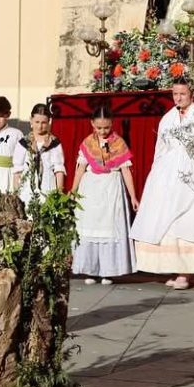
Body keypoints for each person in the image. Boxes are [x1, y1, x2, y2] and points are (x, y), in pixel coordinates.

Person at [131, 78, 194, 289]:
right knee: (169, 223)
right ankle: (176, 268)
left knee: (189, 221)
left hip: (193, 174)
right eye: (175, 94)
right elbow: (161, 147)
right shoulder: (168, 118)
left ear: (191, 94)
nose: (178, 98)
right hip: (168, 175)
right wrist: (155, 173)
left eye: (182, 94)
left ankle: (186, 273)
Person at [72, 105, 139, 285]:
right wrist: (73, 191)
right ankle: (90, 270)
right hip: (91, 189)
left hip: (112, 187)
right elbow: (80, 169)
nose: (103, 131)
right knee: (90, 227)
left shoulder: (119, 143)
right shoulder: (88, 143)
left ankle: (108, 271)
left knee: (110, 229)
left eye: (107, 127)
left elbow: (126, 171)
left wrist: (133, 196)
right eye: (99, 127)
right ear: (92, 124)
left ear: (112, 124)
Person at [12, 103, 65, 204]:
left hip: (48, 190)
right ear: (31, 120)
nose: (40, 126)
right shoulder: (23, 143)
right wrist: (16, 195)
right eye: (37, 122)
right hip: (26, 192)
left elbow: (59, 171)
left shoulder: (54, 143)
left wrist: (59, 195)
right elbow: (17, 172)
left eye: (43, 123)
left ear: (49, 122)